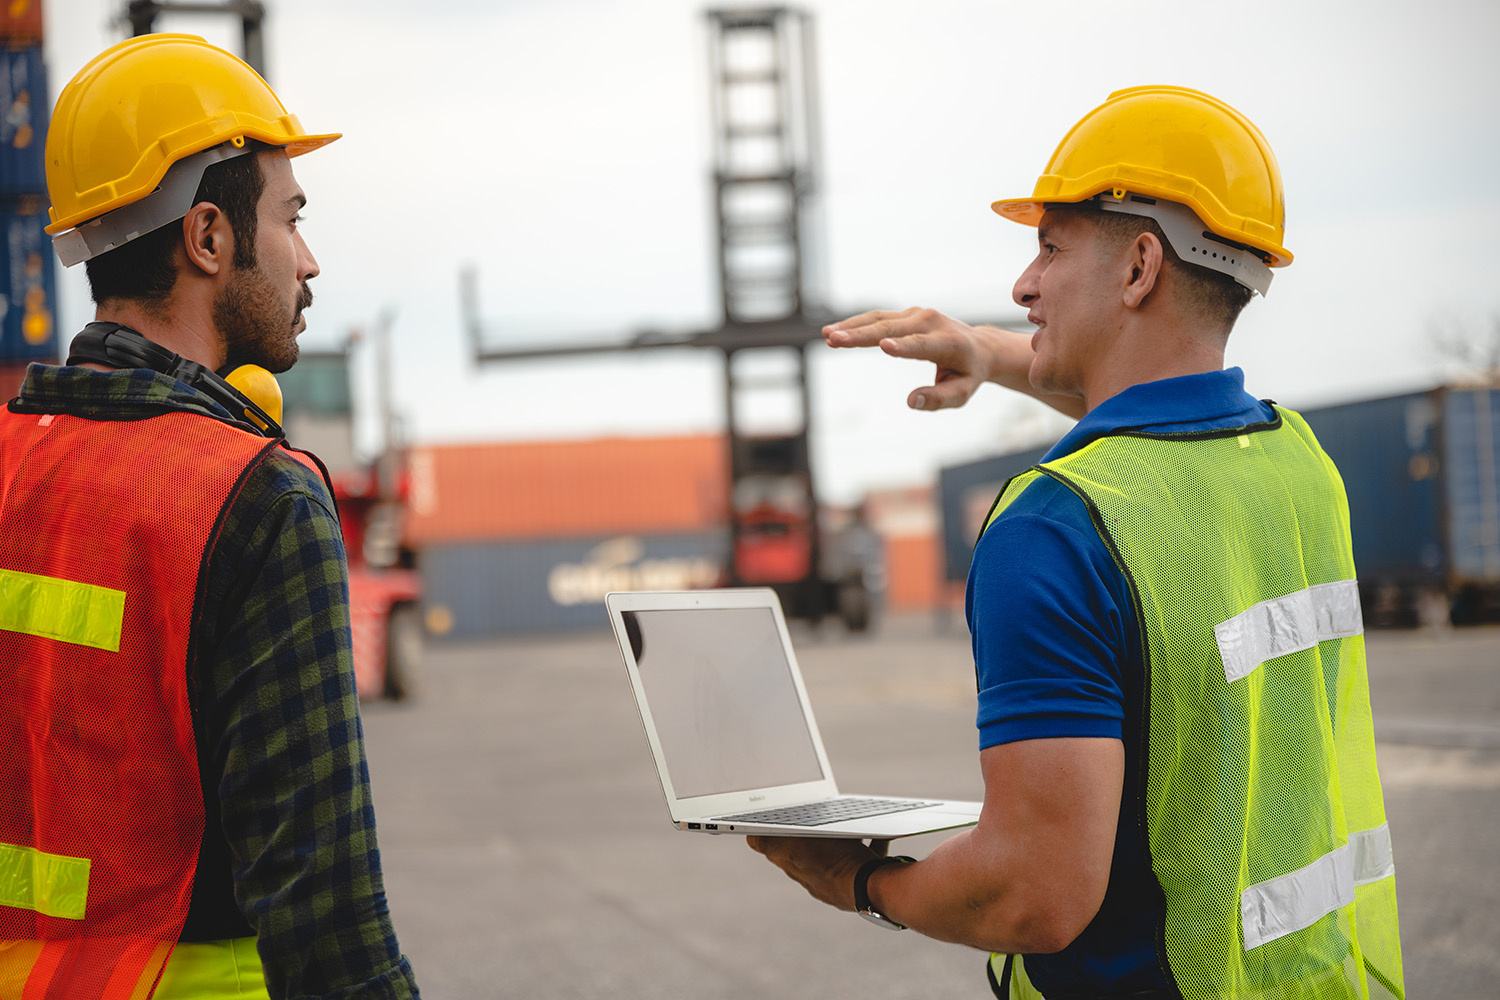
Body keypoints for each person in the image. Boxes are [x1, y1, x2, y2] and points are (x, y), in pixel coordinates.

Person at [748, 86, 1405, 999]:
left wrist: (857, 882)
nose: (1022, 285)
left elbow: (1033, 896)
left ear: (1139, 267)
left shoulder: (1054, 532)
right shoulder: (1296, 464)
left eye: (1049, 248)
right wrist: (989, 350)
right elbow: (1160, 421)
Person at [0, 35, 420, 999]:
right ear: (208, 238)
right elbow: (323, 910)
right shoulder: (254, 496)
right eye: (292, 218)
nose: (309, 260)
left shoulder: (12, 464)